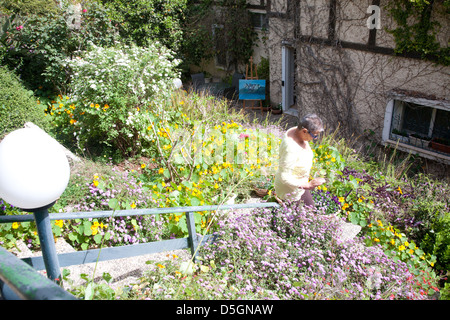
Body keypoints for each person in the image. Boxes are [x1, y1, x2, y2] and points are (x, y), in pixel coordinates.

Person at [274, 114, 326, 207]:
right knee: (297, 218)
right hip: (290, 191)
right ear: (304, 131)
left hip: (300, 185)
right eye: (314, 136)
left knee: (310, 211)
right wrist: (308, 185)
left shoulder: (296, 131)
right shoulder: (290, 149)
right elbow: (284, 177)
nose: (316, 138)